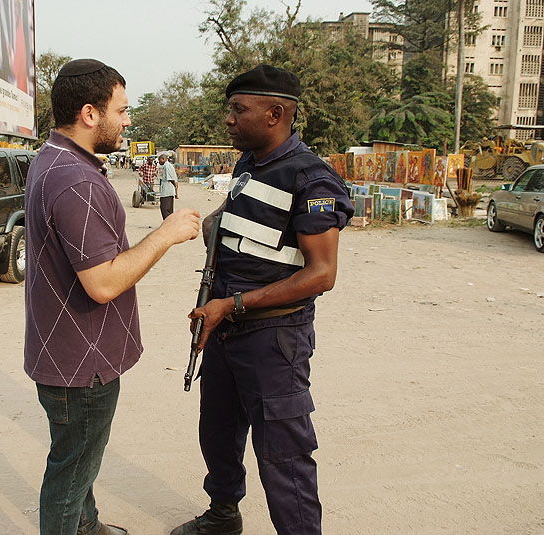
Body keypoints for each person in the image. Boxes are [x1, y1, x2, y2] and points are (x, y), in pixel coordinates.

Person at [172, 65, 354, 535]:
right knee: (218, 433)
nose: (228, 120)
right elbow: (246, 216)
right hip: (225, 328)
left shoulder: (314, 181)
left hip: (274, 338)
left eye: (238, 110)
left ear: (275, 114)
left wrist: (231, 306)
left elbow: (322, 274)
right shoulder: (249, 163)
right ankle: (223, 515)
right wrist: (217, 224)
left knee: (284, 454)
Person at [23, 58, 200, 535]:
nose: (127, 120)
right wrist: (165, 234)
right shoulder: (75, 180)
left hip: (66, 351)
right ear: (89, 114)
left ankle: (88, 526)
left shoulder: (53, 159)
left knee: (79, 458)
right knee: (71, 470)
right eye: (121, 111)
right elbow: (102, 283)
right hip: (82, 362)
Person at [157, 153, 178, 219]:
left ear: (163, 159)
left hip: (167, 191)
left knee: (165, 209)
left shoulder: (167, 166)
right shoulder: (166, 166)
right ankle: (169, 224)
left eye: (159, 160)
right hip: (167, 191)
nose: (159, 162)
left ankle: (168, 224)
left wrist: (176, 190)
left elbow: (171, 179)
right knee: (168, 209)